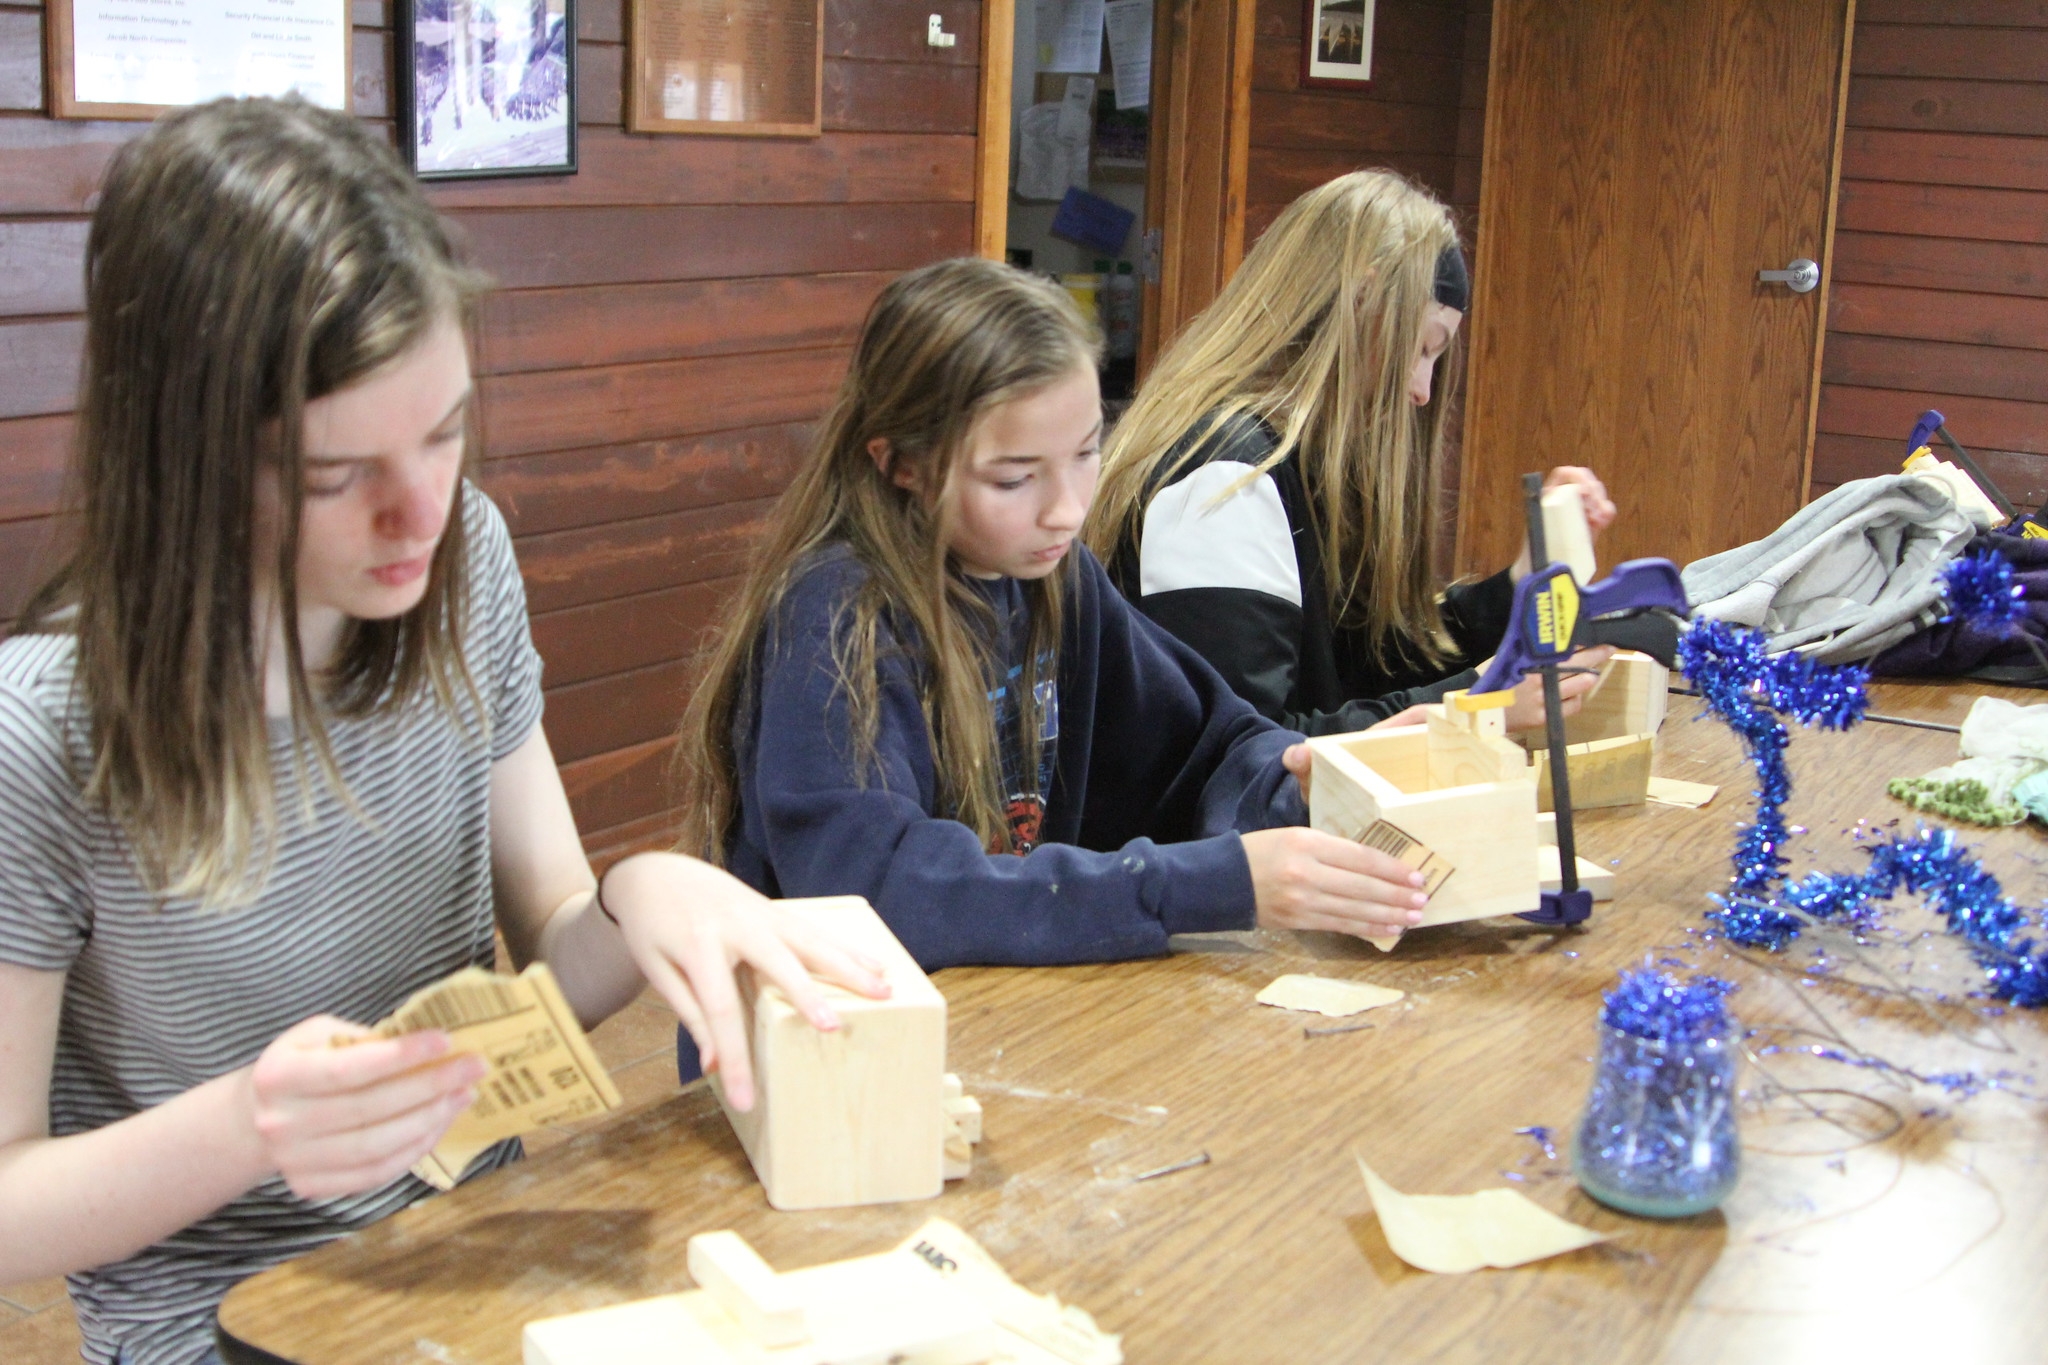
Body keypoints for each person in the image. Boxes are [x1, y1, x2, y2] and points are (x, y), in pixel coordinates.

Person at [0, 97, 882, 1365]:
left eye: (446, 428)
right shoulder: (40, 738)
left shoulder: (463, 554)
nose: (418, 510)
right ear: (185, 458)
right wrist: (252, 1127)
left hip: (486, 1255)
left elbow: (544, 977)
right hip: (223, 1327)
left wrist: (642, 899)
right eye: (332, 475)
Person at [674, 257, 1435, 987]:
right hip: (822, 1049)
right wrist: (1210, 884)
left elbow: (1204, 745)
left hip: (988, 1011)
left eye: (1085, 453)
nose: (1066, 508)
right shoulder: (837, 618)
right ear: (900, 462)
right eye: (1014, 477)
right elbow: (885, 891)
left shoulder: (1055, 575)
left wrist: (1309, 777)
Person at [1088, 170, 1618, 737]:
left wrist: (1518, 582)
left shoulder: (1303, 467)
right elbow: (1245, 756)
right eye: (1420, 349)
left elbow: (1374, 668)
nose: (1423, 391)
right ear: (1359, 303)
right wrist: (1477, 707)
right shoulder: (1226, 479)